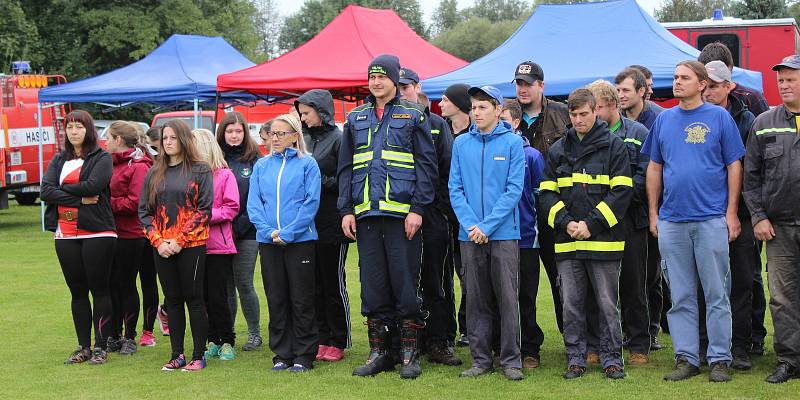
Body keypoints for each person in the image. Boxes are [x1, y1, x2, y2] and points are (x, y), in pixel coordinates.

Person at [642, 60, 745, 383]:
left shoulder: (720, 118)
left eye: (684, 78)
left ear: (702, 84)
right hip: (672, 221)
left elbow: (734, 166)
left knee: (716, 293)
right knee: (681, 295)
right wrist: (653, 213)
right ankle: (686, 357)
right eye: (674, 77)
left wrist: (730, 213)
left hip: (711, 219)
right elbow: (654, 168)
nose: (677, 82)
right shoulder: (665, 120)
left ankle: (719, 358)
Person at [338, 54, 437, 379]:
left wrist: (418, 209)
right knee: (373, 286)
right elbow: (345, 168)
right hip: (366, 215)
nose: (376, 82)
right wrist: (347, 209)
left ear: (395, 80)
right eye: (372, 77)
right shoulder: (355, 118)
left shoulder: (414, 115)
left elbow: (426, 165)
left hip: (402, 215)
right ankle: (379, 352)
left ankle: (409, 354)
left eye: (382, 77)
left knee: (406, 284)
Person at [538, 89, 633, 380]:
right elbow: (545, 194)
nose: (578, 119)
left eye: (583, 114)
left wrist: (590, 224)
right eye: (573, 114)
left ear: (595, 111)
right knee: (572, 305)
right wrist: (567, 223)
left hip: (603, 241)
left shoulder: (615, 147)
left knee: (606, 304)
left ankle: (612, 359)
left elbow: (622, 193)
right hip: (568, 242)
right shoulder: (557, 150)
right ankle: (576, 359)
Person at [698, 41, 770, 355]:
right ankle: (713, 342)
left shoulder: (751, 105)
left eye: (714, 85)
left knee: (747, 275)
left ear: (729, 83)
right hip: (706, 209)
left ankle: (750, 338)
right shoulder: (692, 112)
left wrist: (752, 210)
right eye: (705, 84)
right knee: (710, 280)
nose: (708, 90)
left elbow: (755, 159)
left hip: (741, 208)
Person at [450, 85, 525, 381]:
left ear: (497, 109)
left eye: (483, 107)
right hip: (470, 234)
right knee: (476, 298)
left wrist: (487, 226)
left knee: (507, 298)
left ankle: (511, 360)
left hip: (504, 233)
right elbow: (455, 189)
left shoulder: (512, 143)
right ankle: (481, 360)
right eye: (473, 107)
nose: (476, 112)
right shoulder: (461, 144)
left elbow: (513, 190)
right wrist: (472, 225)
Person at [42, 110, 117, 365]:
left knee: (99, 289)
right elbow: (45, 191)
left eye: (79, 126)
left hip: (98, 231)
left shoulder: (102, 157)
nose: (74, 131)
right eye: (69, 127)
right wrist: (77, 198)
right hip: (65, 232)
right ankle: (83, 346)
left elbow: (94, 186)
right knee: (77, 292)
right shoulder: (59, 159)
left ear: (88, 129)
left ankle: (100, 346)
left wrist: (60, 190)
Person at [584, 80, 651, 365]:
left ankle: (638, 344)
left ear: (612, 104)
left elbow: (644, 173)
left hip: (631, 220)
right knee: (595, 288)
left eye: (597, 107)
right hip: (599, 223)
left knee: (634, 284)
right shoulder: (585, 135)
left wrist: (616, 200)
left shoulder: (638, 133)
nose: (592, 113)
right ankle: (596, 345)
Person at [248, 114, 321, 373]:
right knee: (276, 298)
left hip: (300, 241)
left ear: (294, 136)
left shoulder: (308, 164)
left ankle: (304, 354)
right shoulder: (261, 166)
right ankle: (282, 353)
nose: (275, 138)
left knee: (301, 299)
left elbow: (311, 203)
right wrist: (269, 232)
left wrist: (288, 233)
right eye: (272, 134)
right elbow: (254, 204)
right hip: (268, 242)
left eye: (281, 133)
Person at [743, 54, 800, 384]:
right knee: (781, 298)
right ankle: (789, 360)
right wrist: (759, 217)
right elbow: (752, 178)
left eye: (791, 78)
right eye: (781, 79)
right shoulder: (763, 122)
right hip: (777, 228)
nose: (784, 84)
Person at [139, 120, 213, 372]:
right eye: (164, 138)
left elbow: (204, 209)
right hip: (161, 245)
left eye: (172, 137)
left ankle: (198, 355)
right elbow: (144, 212)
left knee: (194, 298)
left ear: (183, 139)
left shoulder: (200, 170)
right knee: (172, 300)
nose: (168, 142)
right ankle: (177, 354)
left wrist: (179, 240)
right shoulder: (153, 172)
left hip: (191, 244)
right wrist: (159, 242)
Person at [398, 68, 461, 365]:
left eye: (405, 87)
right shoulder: (389, 125)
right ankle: (410, 340)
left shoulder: (436, 124)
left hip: (433, 216)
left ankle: (440, 340)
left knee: (437, 281)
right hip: (398, 215)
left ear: (417, 88)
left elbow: (448, 173)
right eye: (397, 87)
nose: (401, 92)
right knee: (404, 281)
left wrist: (444, 215)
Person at [294, 90, 352, 362]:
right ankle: (319, 338)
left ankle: (338, 339)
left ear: (321, 110)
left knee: (333, 283)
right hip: (307, 223)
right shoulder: (303, 139)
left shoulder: (339, 139)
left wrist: (316, 181)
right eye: (301, 113)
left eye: (306, 112)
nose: (302, 118)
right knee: (313, 284)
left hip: (332, 222)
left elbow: (345, 180)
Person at [514, 60, 570, 335]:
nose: (523, 89)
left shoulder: (562, 113)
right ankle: (527, 343)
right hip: (519, 213)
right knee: (522, 284)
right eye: (519, 84)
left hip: (555, 208)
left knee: (562, 279)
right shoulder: (507, 115)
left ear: (541, 85)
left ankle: (571, 337)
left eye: (528, 84)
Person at [500, 98, 546, 369]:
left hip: (527, 237)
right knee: (500, 296)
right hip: (498, 235)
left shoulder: (532, 156)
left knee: (526, 296)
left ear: (516, 123)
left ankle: (531, 349)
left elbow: (540, 198)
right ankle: (503, 346)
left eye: (505, 120)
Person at [216, 111, 264, 352]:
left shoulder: (255, 159)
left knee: (244, 282)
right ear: (222, 133)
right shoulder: (216, 159)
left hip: (248, 231)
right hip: (220, 232)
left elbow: (259, 198)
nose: (234, 136)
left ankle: (255, 334)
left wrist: (240, 225)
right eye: (229, 131)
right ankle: (228, 333)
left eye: (238, 131)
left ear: (245, 132)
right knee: (225, 286)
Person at [191, 128, 240, 362]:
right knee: (201, 297)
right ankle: (212, 339)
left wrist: (203, 215)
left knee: (218, 296)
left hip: (218, 246)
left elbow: (231, 208)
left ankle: (228, 340)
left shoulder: (224, 175)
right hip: (193, 244)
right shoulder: (188, 175)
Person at [106, 121, 153, 355]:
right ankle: (112, 334)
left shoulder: (139, 165)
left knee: (126, 284)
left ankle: (130, 336)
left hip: (131, 233)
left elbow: (136, 202)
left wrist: (106, 204)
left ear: (118, 140)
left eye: (108, 138)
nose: (105, 142)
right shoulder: (109, 163)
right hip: (109, 231)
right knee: (110, 284)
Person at [438, 82, 472, 347]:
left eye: (446, 100)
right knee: (446, 275)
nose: (440, 104)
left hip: (468, 217)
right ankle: (455, 327)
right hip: (444, 215)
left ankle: (470, 327)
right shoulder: (442, 131)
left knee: (469, 275)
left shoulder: (476, 133)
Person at [143, 126, 169, 338]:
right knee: (161, 285)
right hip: (155, 237)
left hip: (182, 239)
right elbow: (144, 208)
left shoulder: (191, 170)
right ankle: (149, 329)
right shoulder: (151, 170)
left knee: (185, 292)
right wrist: (157, 238)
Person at [698, 41, 770, 117]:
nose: (706, 93)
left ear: (729, 68)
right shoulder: (695, 96)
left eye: (713, 85)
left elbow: (766, 126)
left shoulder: (751, 98)